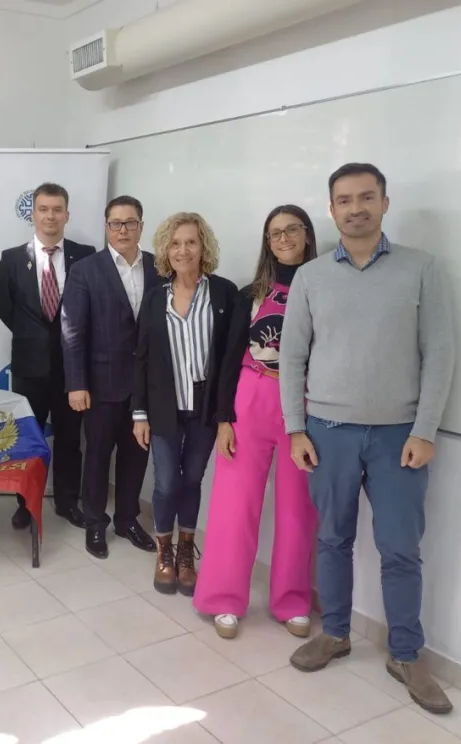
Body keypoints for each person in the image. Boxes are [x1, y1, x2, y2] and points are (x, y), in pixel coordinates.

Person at [280, 163, 455, 714]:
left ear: (384, 202)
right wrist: (295, 428)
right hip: (327, 433)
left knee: (401, 549)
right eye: (344, 200)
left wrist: (425, 430)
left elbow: (440, 355)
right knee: (332, 539)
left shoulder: (421, 269)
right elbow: (292, 358)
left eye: (366, 197)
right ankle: (335, 633)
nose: (355, 208)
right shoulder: (310, 276)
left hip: (399, 436)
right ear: (331, 210)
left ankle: (405, 652)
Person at [193, 206, 318, 636]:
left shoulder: (324, 287)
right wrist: (224, 418)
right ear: (267, 241)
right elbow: (227, 360)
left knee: (298, 509)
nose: (283, 238)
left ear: (307, 234)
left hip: (303, 405)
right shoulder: (251, 293)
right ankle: (224, 598)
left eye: (291, 230)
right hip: (252, 396)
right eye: (274, 233)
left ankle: (292, 601)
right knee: (233, 505)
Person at [131, 212, 238, 595]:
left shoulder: (225, 294)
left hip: (205, 408)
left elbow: (230, 359)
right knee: (165, 483)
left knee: (192, 479)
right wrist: (138, 412)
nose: (183, 250)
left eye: (190, 242)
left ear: (203, 246)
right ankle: (164, 552)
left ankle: (187, 553)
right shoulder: (155, 296)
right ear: (166, 250)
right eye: (175, 243)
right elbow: (140, 357)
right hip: (163, 406)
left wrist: (227, 414)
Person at [62, 195, 160, 559]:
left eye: (130, 222)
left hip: (145, 388)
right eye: (116, 223)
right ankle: (94, 523)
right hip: (100, 386)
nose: (123, 229)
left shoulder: (158, 268)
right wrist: (76, 383)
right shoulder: (86, 270)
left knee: (137, 457)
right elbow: (72, 333)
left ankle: (127, 520)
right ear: (106, 226)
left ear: (141, 226)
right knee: (98, 457)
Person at [0, 182, 93, 531]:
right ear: (33, 213)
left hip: (73, 370)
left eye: (57, 209)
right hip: (29, 367)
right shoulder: (11, 258)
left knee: (69, 440)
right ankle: (26, 503)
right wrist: (32, 337)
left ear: (67, 214)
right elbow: (5, 308)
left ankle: (67, 502)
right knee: (30, 440)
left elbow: (90, 308)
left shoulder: (86, 255)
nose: (50, 216)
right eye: (43, 209)